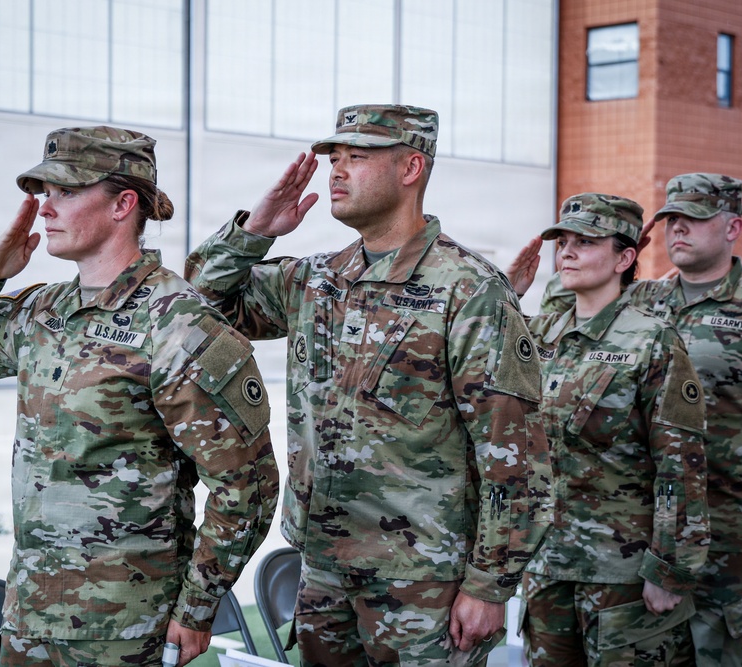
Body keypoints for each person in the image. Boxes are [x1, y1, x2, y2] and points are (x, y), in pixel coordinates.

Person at [185, 104, 552, 666]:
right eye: (334, 157)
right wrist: (253, 232)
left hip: (424, 582)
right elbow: (199, 306)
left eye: (357, 157)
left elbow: (514, 456)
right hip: (323, 569)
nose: (336, 170)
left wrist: (488, 585)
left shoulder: (469, 292)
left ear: (411, 168)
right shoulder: (316, 279)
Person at [0, 126, 279, 667]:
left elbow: (246, 486)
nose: (45, 209)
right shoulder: (45, 310)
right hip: (28, 615)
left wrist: (198, 606)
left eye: (66, 192)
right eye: (46, 193)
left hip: (122, 630)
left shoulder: (179, 325)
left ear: (122, 204)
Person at [516, 174, 742, 666]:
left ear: (732, 227)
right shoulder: (643, 300)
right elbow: (564, 322)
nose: (677, 230)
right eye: (669, 221)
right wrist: (616, 245)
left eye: (694, 219)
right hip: (641, 531)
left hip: (740, 538)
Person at [510, 194, 710, 665]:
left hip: (621, 574)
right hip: (546, 565)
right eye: (565, 242)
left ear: (625, 257)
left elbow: (680, 463)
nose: (568, 253)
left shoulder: (652, 340)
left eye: (587, 242)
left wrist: (669, 569)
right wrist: (507, 292)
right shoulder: (542, 333)